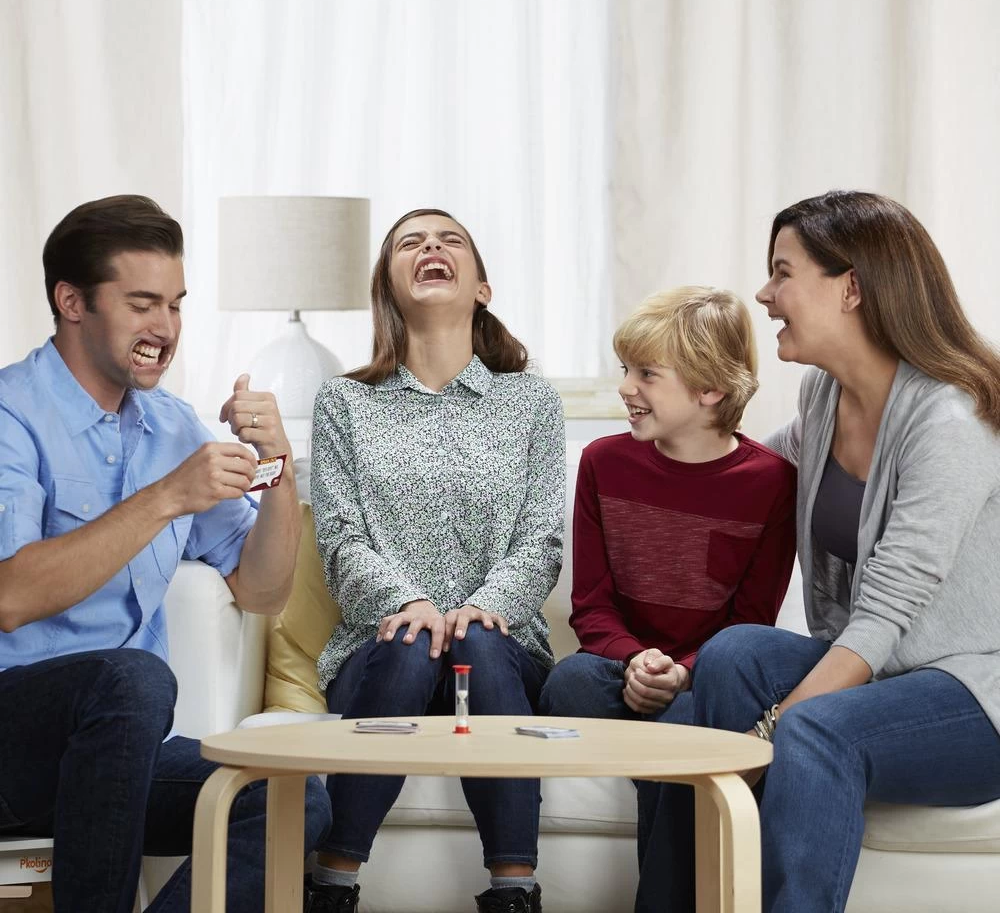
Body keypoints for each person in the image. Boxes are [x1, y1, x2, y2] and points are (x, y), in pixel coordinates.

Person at [635, 190, 1000, 913]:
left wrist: (762, 732)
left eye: (782, 272)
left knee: (813, 728)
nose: (765, 295)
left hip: (971, 694)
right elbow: (748, 482)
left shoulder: (951, 417)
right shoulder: (823, 398)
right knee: (733, 658)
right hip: (880, 674)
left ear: (852, 288)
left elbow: (889, 607)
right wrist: (670, 416)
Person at [0, 195, 332, 913]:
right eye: (143, 303)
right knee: (134, 679)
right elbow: (10, 596)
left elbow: (263, 591)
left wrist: (277, 469)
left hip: (115, 755)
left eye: (176, 306)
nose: (166, 329)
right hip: (12, 739)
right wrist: (166, 498)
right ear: (72, 301)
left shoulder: (175, 427)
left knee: (286, 796)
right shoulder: (11, 415)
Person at [307, 208, 564, 913]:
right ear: (387, 285)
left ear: (481, 286)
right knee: (413, 642)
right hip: (379, 650)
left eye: (450, 239)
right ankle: (331, 883)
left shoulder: (532, 400)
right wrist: (406, 604)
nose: (430, 247)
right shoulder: (344, 403)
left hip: (501, 654)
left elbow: (542, 537)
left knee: (476, 642)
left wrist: (488, 606)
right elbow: (338, 537)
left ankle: (514, 892)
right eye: (410, 242)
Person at [539, 287, 796, 723]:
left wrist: (682, 674)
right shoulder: (604, 463)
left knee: (692, 714)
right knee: (570, 681)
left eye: (647, 374)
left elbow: (750, 624)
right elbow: (592, 606)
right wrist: (637, 661)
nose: (624, 387)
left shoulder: (772, 481)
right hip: (615, 667)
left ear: (710, 387)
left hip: (702, 677)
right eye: (625, 370)